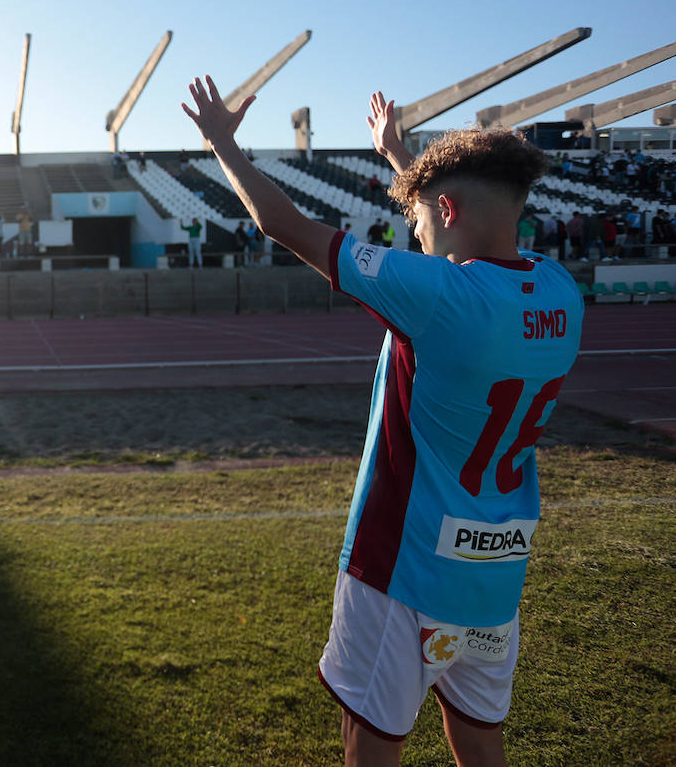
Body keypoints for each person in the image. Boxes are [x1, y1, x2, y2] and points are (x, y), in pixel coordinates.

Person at [183, 80, 581, 767]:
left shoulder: (440, 298)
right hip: (493, 574)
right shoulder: (558, 290)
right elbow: (456, 229)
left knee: (372, 743)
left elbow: (286, 226)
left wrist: (221, 141)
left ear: (447, 209)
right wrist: (402, 159)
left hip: (403, 569)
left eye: (419, 221)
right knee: (481, 738)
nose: (415, 234)